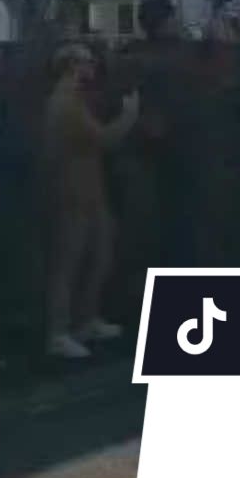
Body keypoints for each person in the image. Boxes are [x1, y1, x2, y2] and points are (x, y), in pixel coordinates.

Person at [43, 43, 140, 360]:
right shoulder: (65, 104)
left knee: (98, 256)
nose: (94, 67)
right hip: (72, 194)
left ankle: (86, 320)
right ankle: (58, 333)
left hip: (90, 191)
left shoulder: (76, 100)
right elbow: (104, 139)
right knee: (68, 265)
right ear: (72, 65)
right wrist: (129, 115)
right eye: (88, 62)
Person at [130, 0, 203, 266]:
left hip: (165, 146)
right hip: (175, 146)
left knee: (174, 217)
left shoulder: (140, 54)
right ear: (163, 22)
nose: (177, 22)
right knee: (180, 219)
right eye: (172, 18)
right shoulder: (174, 55)